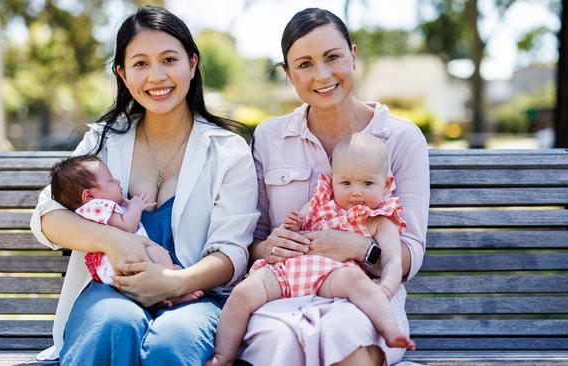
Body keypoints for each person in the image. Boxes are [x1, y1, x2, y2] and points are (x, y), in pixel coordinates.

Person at [29, 6, 259, 365]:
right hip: (111, 290)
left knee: (173, 341)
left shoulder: (228, 150)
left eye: (169, 59)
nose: (157, 76)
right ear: (122, 73)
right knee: (114, 324)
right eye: (140, 64)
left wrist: (173, 282)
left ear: (192, 64)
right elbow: (47, 218)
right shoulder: (103, 142)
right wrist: (114, 240)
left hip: (195, 296)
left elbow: (231, 253)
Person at [239, 8, 429, 366]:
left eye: (332, 57)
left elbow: (411, 251)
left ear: (353, 56)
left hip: (365, 298)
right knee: (278, 341)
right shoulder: (269, 137)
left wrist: (361, 248)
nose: (322, 75)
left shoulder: (401, 139)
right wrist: (269, 247)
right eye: (305, 64)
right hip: (283, 294)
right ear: (288, 75)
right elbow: (253, 240)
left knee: (343, 335)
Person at [208, 133, 415, 365]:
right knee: (242, 293)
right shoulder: (320, 202)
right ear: (332, 180)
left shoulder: (378, 220)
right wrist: (293, 225)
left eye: (367, 183)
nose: (356, 192)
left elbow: (393, 261)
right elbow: (295, 227)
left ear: (386, 184)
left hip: (332, 275)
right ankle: (223, 356)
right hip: (291, 270)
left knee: (358, 282)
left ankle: (389, 331)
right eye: (346, 183)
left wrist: (386, 288)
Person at [49, 155, 204, 307]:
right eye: (111, 181)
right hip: (120, 263)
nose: (117, 181)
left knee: (175, 269)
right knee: (159, 253)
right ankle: (171, 293)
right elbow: (126, 226)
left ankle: (163, 297)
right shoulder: (98, 206)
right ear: (88, 195)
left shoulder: (94, 208)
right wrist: (135, 206)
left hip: (120, 266)